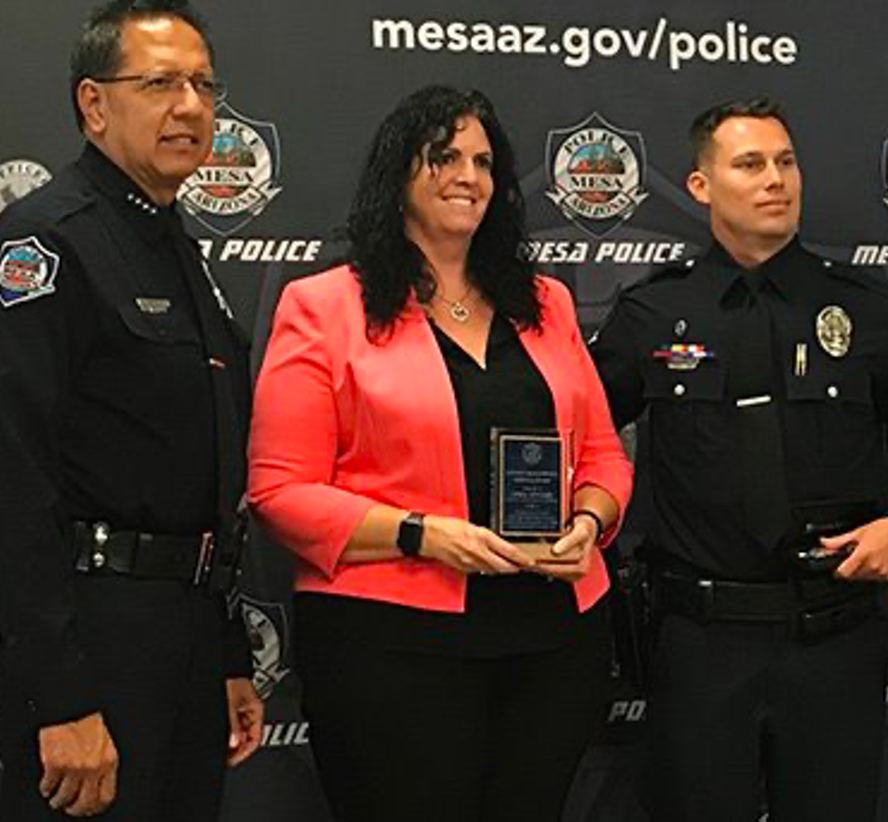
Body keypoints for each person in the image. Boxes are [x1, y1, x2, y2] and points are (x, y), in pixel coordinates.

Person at [247, 84, 632, 822]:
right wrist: (424, 535)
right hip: (391, 651)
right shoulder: (325, 306)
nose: (469, 176)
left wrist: (589, 522)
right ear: (400, 172)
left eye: (485, 162)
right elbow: (281, 492)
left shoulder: (545, 303)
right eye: (445, 156)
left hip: (551, 642)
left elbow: (607, 457)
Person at [589, 97, 888, 822]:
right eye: (750, 164)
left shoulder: (865, 310)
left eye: (785, 162)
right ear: (701, 187)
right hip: (699, 642)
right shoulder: (652, 314)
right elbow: (581, 439)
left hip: (834, 636)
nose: (775, 180)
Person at [0, 1, 264, 819]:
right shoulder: (47, 243)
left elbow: (201, 473)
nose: (190, 106)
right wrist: (61, 697)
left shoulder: (180, 249)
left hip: (182, 635)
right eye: (158, 83)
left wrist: (225, 655)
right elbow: (13, 480)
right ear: (93, 103)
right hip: (90, 636)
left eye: (202, 85)